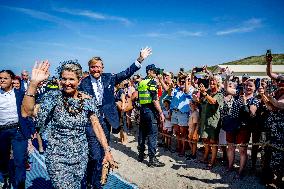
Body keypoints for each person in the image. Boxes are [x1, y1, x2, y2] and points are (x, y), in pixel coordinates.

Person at [21, 60, 116, 189]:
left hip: (80, 156)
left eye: (71, 79)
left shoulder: (87, 100)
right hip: (57, 157)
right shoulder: (52, 97)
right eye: (64, 79)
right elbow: (27, 112)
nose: (67, 83)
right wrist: (33, 84)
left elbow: (96, 126)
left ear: (79, 80)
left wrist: (106, 150)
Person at [79, 47, 152, 188]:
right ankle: (91, 180)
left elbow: (126, 73)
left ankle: (95, 182)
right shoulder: (83, 83)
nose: (95, 70)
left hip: (106, 121)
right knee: (94, 154)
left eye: (98, 67)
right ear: (89, 68)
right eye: (93, 67)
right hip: (90, 122)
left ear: (102, 68)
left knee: (102, 152)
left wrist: (140, 58)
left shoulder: (109, 78)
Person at [0, 70, 31, 189]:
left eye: (5, 78)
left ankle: (20, 185)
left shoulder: (20, 94)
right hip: (2, 131)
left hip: (18, 130)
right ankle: (5, 176)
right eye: (0, 78)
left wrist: (31, 129)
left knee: (20, 161)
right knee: (2, 159)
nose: (2, 80)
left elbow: (27, 112)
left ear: (12, 80)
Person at [137, 64, 165, 167]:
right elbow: (154, 99)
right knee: (152, 135)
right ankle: (152, 159)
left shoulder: (141, 82)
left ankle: (140, 155)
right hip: (150, 111)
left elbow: (139, 98)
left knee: (142, 134)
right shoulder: (151, 82)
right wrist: (161, 112)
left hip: (142, 110)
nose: (155, 73)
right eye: (154, 71)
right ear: (149, 71)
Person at [198, 76, 224, 169]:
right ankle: (205, 156)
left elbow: (213, 101)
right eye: (210, 81)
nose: (211, 82)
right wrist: (198, 97)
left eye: (214, 81)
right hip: (205, 120)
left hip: (213, 121)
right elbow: (202, 102)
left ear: (218, 83)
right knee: (205, 140)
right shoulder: (208, 92)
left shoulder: (219, 94)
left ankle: (213, 160)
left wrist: (204, 93)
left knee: (213, 141)